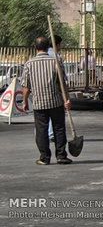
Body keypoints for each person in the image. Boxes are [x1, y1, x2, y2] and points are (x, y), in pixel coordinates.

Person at [22, 37, 73, 165]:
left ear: (35, 48)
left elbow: (26, 87)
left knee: (41, 130)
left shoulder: (29, 64)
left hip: (39, 102)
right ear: (48, 47)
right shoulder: (55, 62)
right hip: (55, 101)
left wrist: (24, 102)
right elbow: (63, 84)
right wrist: (67, 99)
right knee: (59, 129)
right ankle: (61, 155)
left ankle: (44, 157)